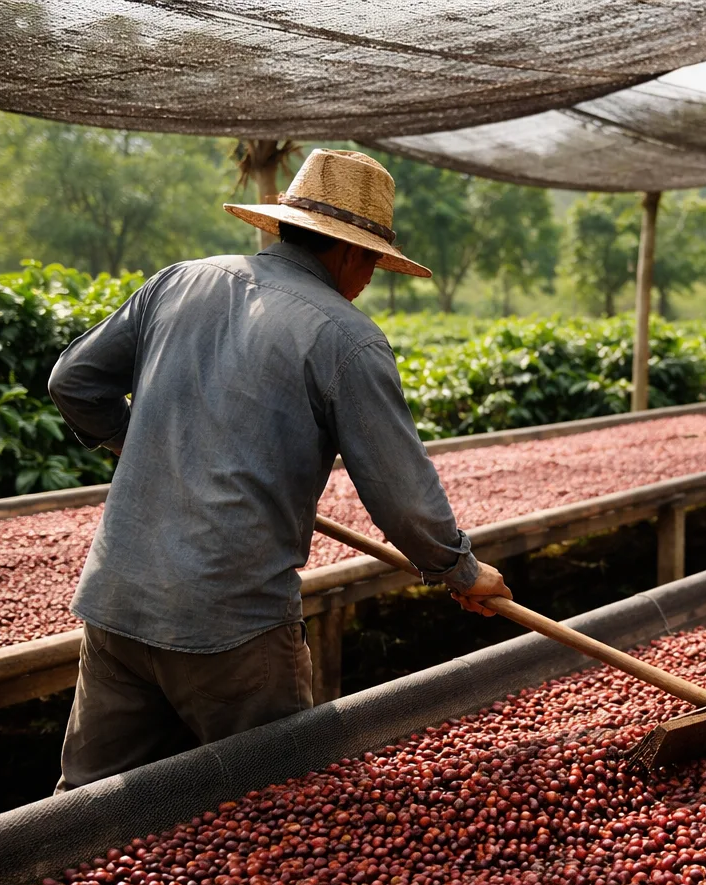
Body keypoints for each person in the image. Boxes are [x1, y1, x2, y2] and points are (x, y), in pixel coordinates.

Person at [46, 149, 510, 791]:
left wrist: (136, 443)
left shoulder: (179, 281)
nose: (369, 279)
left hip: (117, 601)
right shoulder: (347, 338)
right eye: (372, 263)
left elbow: (73, 381)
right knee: (279, 816)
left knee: (82, 828)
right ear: (351, 254)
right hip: (232, 627)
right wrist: (459, 568)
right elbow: (402, 499)